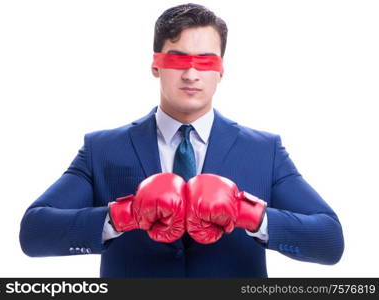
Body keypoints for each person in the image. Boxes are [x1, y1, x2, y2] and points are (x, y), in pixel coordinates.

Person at [19, 3, 344, 277]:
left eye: (205, 60)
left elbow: (330, 240)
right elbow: (34, 232)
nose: (191, 74)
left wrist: (250, 214)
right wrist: (123, 214)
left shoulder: (264, 150)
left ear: (222, 70)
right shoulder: (102, 149)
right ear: (155, 65)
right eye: (177, 59)